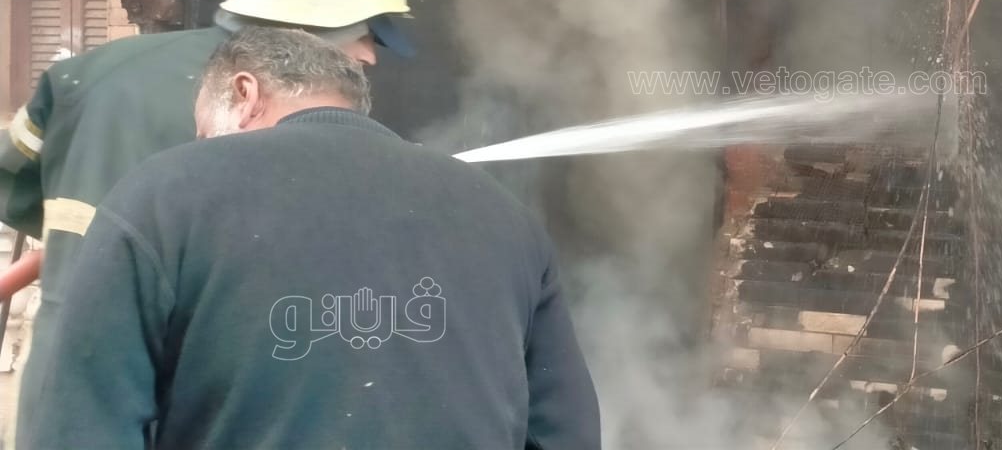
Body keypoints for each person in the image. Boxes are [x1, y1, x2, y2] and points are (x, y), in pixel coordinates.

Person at [23, 28, 601, 449]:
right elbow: (564, 431)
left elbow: (81, 425)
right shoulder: (503, 215)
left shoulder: (162, 196)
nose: (201, 148)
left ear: (245, 93)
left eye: (202, 130)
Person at [0, 0, 413, 445]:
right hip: (194, 404)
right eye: (368, 36)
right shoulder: (295, 119)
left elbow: (15, 186)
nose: (370, 58)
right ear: (314, 24)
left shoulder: (85, 75)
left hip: (62, 404)